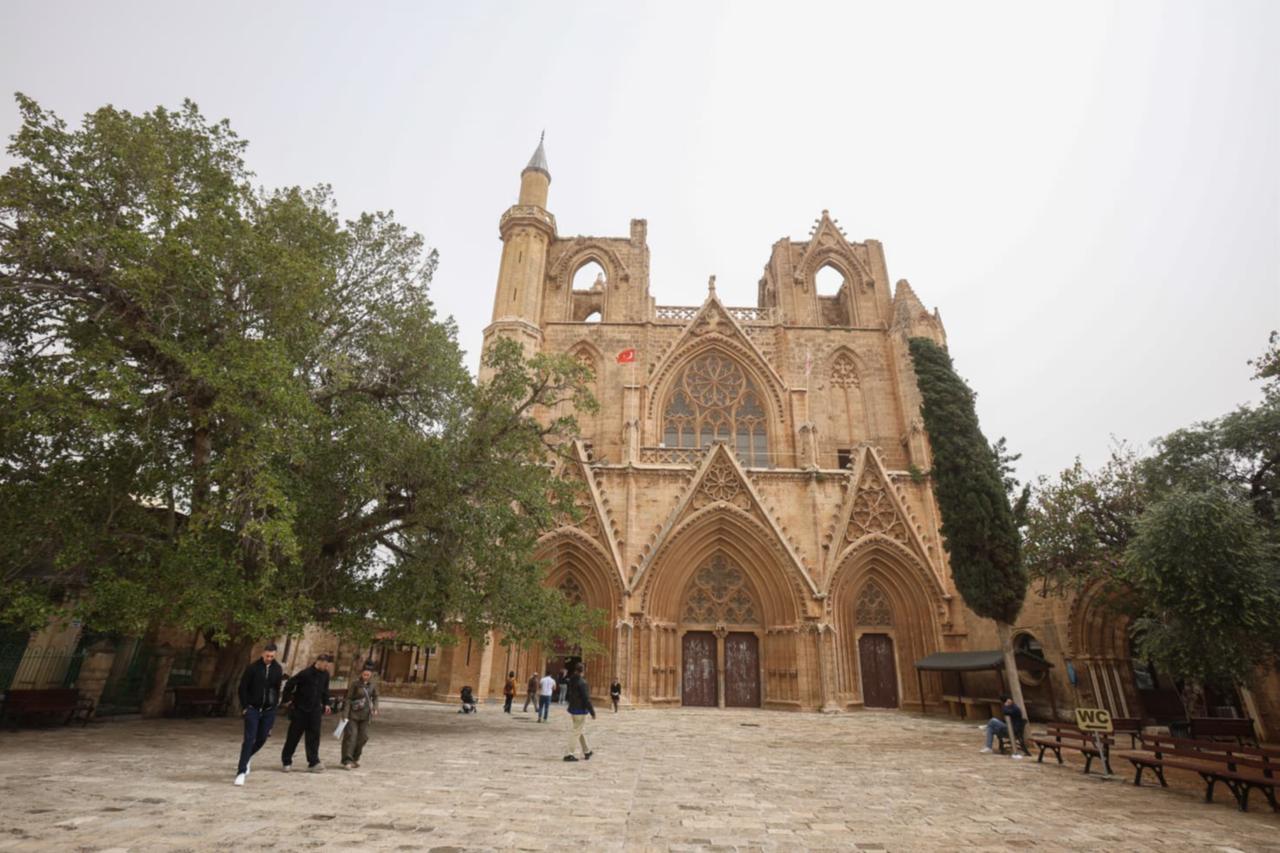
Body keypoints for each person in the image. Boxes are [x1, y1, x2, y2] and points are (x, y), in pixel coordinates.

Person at [233, 642, 283, 786]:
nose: (269, 658)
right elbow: (243, 688)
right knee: (249, 738)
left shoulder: (277, 669)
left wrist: (274, 707)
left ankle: (247, 757)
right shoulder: (252, 668)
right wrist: (245, 706)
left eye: (272, 656)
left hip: (268, 710)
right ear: (263, 654)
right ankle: (241, 771)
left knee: (262, 738)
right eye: (267, 655)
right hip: (252, 709)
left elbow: (276, 689)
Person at [280, 653, 334, 772]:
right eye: (325, 665)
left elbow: (325, 690)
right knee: (293, 736)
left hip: (315, 710)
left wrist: (327, 703)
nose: (326, 667)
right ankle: (286, 760)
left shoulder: (325, 675)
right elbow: (289, 684)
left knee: (314, 736)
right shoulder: (305, 673)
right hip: (300, 709)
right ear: (318, 662)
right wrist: (287, 700)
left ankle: (313, 762)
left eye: (327, 665)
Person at [340, 662, 379, 770]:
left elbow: (375, 697)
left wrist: (375, 708)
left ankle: (355, 758)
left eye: (368, 675)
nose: (366, 676)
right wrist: (345, 713)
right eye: (364, 674)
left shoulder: (372, 685)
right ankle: (347, 759)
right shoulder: (355, 684)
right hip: (353, 714)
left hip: (366, 715)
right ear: (361, 674)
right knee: (351, 736)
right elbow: (348, 699)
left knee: (363, 737)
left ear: (371, 675)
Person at [563, 661, 596, 762]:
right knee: (576, 731)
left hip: (573, 709)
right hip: (580, 710)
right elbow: (586, 698)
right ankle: (569, 753)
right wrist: (592, 711)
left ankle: (586, 751)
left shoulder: (571, 680)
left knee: (578, 730)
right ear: (583, 671)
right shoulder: (582, 682)